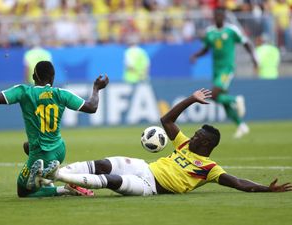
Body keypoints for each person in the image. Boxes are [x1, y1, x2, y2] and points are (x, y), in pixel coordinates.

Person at [35, 88, 291, 196]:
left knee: (112, 182)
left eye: (198, 136)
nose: (192, 136)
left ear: (207, 145)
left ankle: (56, 175)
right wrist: (191, 99)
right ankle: (54, 174)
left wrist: (267, 189)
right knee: (103, 164)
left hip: (150, 186)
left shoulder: (209, 168)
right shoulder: (183, 144)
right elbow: (166, 119)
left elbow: (237, 182)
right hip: (144, 167)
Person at [0, 53, 109, 197]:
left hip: (41, 152)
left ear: (34, 77)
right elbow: (92, 107)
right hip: (59, 150)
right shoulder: (61, 94)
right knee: (27, 146)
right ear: (52, 78)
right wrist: (96, 89)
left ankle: (63, 189)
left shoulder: (24, 92)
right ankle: (46, 175)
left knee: (23, 192)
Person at [190, 7, 259, 138]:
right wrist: (196, 55)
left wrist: (254, 57)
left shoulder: (231, 30)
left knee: (213, 94)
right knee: (221, 101)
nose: (219, 18)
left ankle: (235, 99)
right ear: (214, 17)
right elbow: (206, 48)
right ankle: (241, 125)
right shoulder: (210, 32)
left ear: (224, 17)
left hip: (227, 68)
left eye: (221, 16)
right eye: (217, 16)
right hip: (216, 69)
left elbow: (246, 43)